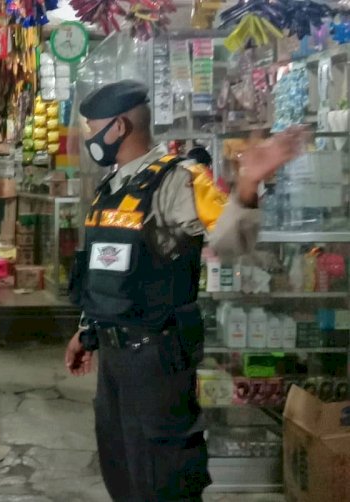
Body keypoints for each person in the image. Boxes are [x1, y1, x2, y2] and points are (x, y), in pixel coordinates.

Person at [64, 80, 305, 501]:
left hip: (157, 360)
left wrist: (247, 187)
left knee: (163, 477)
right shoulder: (111, 186)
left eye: (92, 126)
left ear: (118, 127)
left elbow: (230, 241)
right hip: (114, 360)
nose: (88, 136)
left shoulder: (179, 179)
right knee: (120, 470)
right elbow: (105, 269)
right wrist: (87, 330)